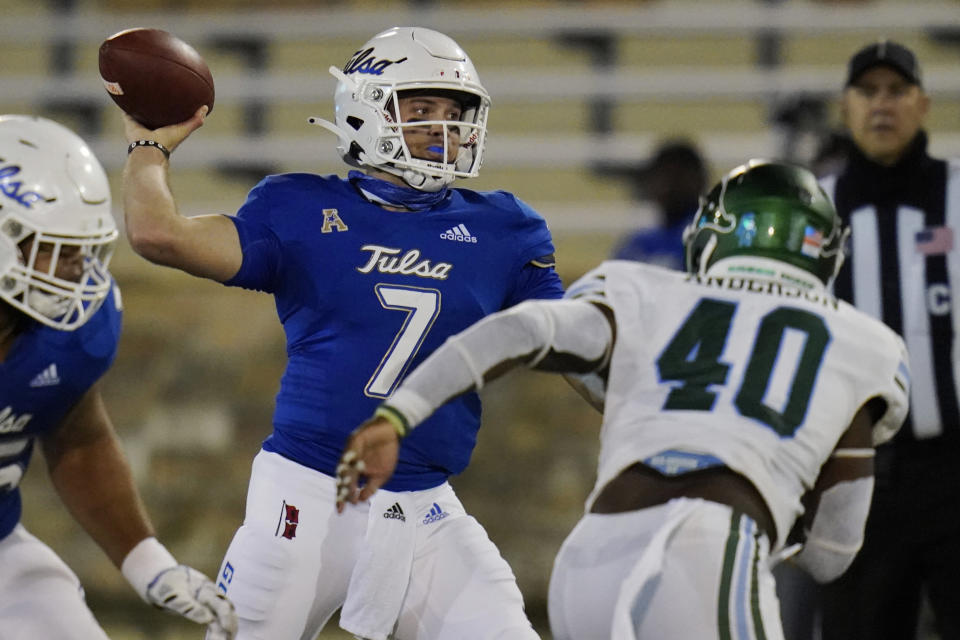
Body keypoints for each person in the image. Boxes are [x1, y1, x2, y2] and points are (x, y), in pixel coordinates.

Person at [335, 160, 912, 639]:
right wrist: (775, 521)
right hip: (714, 545)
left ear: (711, 233)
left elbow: (521, 331)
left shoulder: (643, 287)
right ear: (826, 252)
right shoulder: (866, 345)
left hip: (591, 556)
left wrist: (397, 415)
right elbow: (833, 551)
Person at [118, 26, 562, 640]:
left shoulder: (506, 229)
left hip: (427, 507)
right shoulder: (299, 208)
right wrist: (148, 146)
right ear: (367, 109)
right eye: (421, 109)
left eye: (454, 112)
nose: (443, 127)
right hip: (305, 494)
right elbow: (157, 235)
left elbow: (570, 343)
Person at [0, 115, 236, 638]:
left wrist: (151, 565)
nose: (77, 272)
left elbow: (78, 440)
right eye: (58, 249)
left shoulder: (71, 330)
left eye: (84, 250)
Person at [812, 39, 960, 640]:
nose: (882, 105)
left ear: (922, 104)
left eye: (896, 91)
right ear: (845, 108)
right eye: (867, 92)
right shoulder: (815, 208)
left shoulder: (957, 194)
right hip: (854, 469)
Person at [609, 139, 708, 268]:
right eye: (659, 176)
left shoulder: (709, 239)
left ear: (698, 181)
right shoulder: (638, 244)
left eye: (676, 177)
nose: (666, 187)